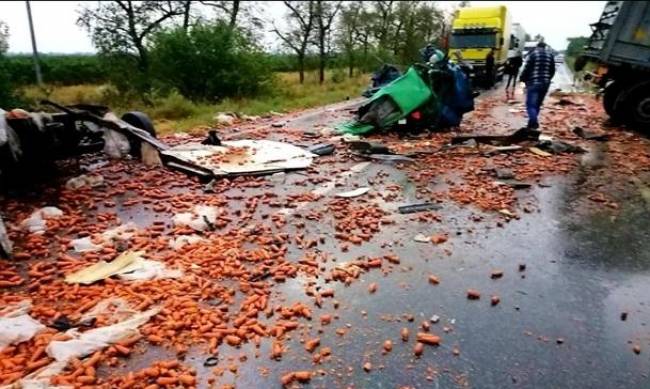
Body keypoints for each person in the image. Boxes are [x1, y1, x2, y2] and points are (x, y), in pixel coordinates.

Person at [519, 41, 555, 129]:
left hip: (533, 83)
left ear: (537, 46)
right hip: (545, 84)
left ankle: (534, 122)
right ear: (545, 47)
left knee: (531, 105)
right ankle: (531, 124)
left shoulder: (533, 54)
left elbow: (527, 68)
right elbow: (552, 70)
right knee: (537, 105)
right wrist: (548, 79)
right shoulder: (550, 55)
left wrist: (522, 79)